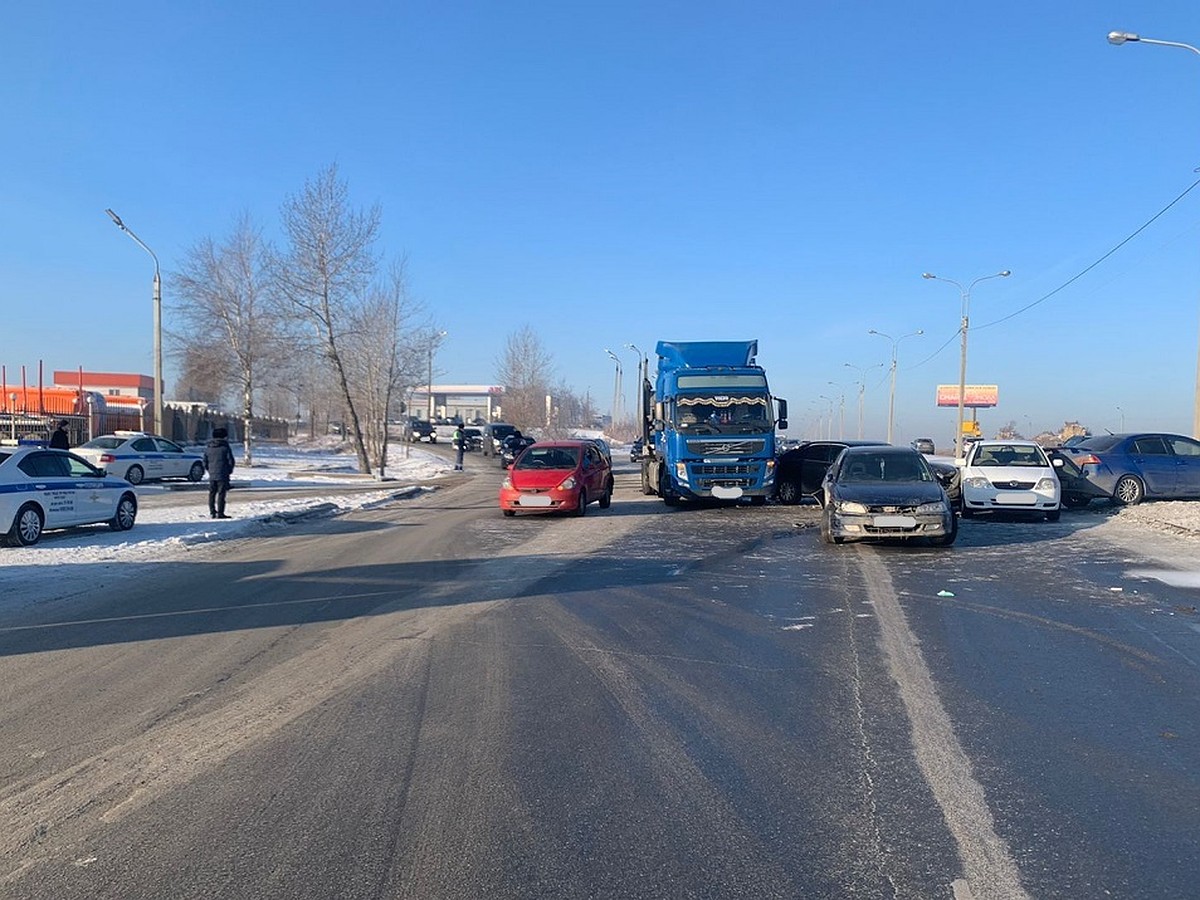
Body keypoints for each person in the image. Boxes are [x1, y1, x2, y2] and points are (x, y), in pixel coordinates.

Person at [204, 427, 236, 519]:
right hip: (223, 474)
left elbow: (205, 461)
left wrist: (210, 470)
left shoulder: (208, 447)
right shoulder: (225, 447)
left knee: (212, 493)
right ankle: (220, 513)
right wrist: (229, 471)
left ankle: (212, 512)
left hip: (212, 474)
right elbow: (230, 461)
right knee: (221, 494)